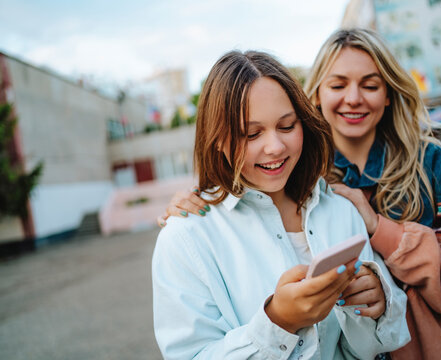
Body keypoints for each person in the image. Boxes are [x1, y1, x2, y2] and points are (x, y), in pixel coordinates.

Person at [158, 29, 441, 360]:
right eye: (338, 84)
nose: (353, 98)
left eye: (370, 85)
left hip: (435, 348)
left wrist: (378, 232)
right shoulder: (304, 176)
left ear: (389, 93)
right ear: (317, 94)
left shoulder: (427, 162)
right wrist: (200, 197)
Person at [152, 50, 410, 360]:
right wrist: (279, 322)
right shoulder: (184, 237)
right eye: (251, 133)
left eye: (287, 126)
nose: (275, 147)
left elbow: (372, 347)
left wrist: (377, 301)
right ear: (217, 138)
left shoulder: (339, 209)